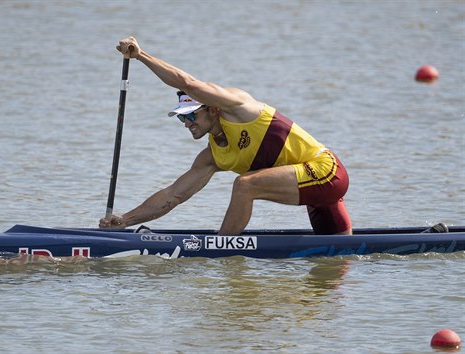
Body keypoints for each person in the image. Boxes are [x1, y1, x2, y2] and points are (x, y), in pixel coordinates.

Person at [99, 37, 352, 235]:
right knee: (339, 259)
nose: (186, 123)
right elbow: (173, 195)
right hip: (314, 192)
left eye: (191, 116)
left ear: (212, 108)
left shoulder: (239, 109)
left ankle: (223, 249)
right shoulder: (211, 157)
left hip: (327, 172)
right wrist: (124, 220)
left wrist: (140, 56)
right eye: (181, 117)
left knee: (245, 185)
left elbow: (187, 83)